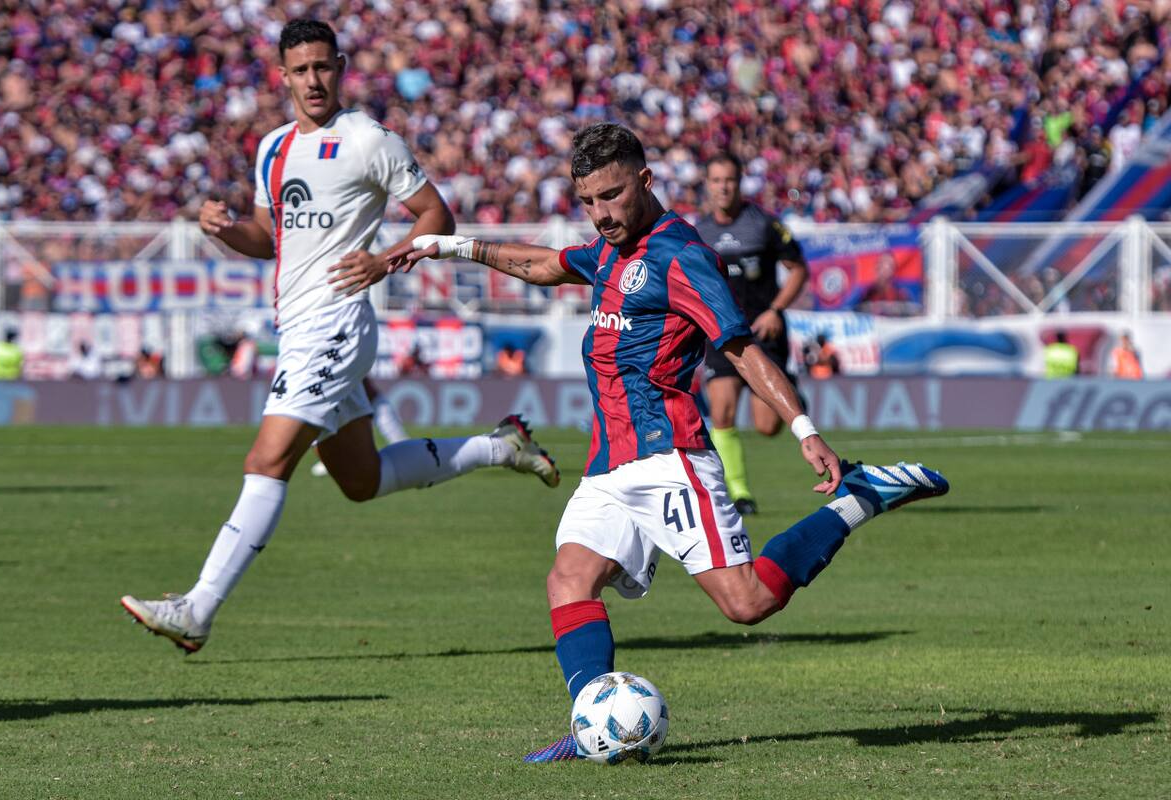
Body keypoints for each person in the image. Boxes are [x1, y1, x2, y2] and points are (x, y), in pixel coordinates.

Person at [391, 123, 950, 763]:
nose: (601, 214)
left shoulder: (681, 256)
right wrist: (451, 245)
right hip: (608, 465)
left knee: (746, 602)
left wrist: (805, 428)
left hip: (669, 458)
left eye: (613, 195)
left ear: (646, 182)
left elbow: (739, 348)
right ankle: (588, 725)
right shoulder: (607, 251)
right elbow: (544, 264)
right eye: (589, 201)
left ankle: (857, 496)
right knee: (568, 582)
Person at [120, 19, 559, 654]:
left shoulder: (366, 139)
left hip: (337, 322)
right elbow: (267, 238)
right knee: (361, 479)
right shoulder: (272, 148)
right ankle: (500, 447)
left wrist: (386, 259)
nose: (313, 80)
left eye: (323, 67)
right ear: (283, 76)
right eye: (300, 70)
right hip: (296, 325)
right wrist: (223, 229)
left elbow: (437, 216)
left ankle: (198, 608)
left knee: (267, 461)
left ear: (342, 67)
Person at [694, 152, 809, 516]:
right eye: (716, 180)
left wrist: (776, 310)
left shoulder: (764, 225)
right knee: (722, 411)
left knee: (767, 426)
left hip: (764, 332)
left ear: (739, 183)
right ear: (707, 185)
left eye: (729, 180)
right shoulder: (698, 232)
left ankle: (790, 392)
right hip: (722, 334)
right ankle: (740, 494)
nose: (723, 187)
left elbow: (798, 270)